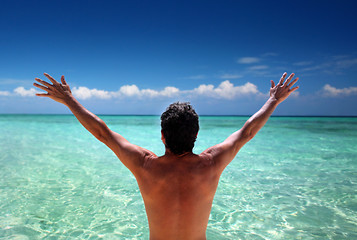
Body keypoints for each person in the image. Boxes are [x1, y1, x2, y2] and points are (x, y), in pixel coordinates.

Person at [33, 72, 299, 240]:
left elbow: (102, 132)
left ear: (162, 136)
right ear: (196, 135)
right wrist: (273, 100)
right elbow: (247, 132)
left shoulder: (145, 166)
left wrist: (69, 100)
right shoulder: (212, 163)